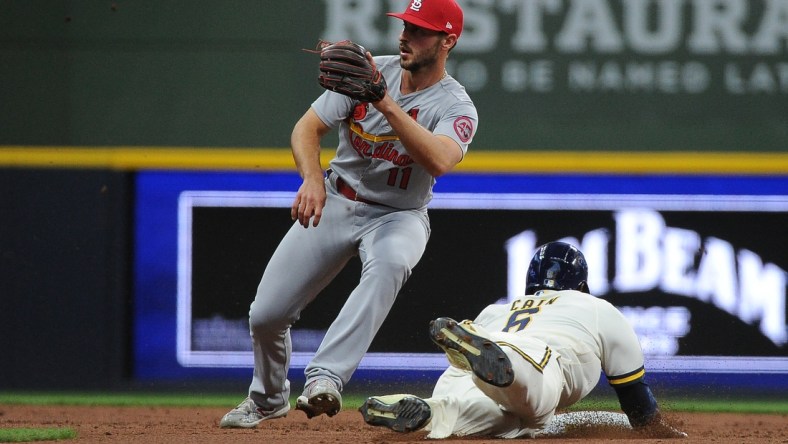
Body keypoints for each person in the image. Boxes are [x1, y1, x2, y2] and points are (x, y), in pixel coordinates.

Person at [220, 0, 477, 429]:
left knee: (391, 263)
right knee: (265, 316)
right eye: (405, 26)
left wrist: (385, 103)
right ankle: (267, 399)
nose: (405, 36)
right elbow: (307, 128)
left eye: (419, 30)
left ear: (448, 40)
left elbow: (439, 161)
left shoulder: (456, 106)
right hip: (337, 198)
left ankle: (325, 378)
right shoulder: (369, 71)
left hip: (398, 215)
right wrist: (312, 178)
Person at [360, 241, 687, 439]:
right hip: (540, 357)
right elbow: (635, 398)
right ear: (582, 286)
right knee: (529, 393)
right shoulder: (598, 308)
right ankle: (489, 354)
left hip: (482, 350)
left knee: (494, 420)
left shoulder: (500, 307)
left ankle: (429, 411)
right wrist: (659, 431)